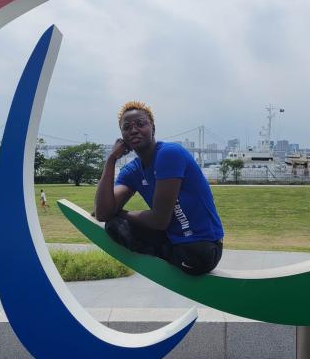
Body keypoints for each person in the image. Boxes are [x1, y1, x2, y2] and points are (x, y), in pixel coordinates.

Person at [94, 101, 223, 275]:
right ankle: (162, 253)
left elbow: (159, 220)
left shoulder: (169, 154)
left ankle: (160, 254)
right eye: (127, 127)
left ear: (153, 128)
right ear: (122, 136)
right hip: (174, 241)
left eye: (140, 124)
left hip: (201, 248)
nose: (133, 130)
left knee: (120, 220)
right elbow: (103, 213)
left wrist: (121, 212)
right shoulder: (133, 170)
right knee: (114, 225)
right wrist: (111, 159)